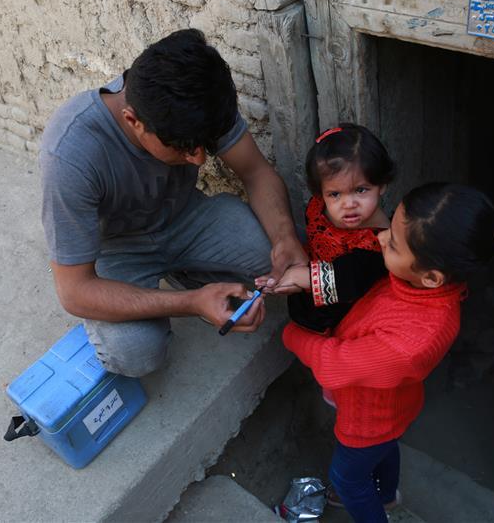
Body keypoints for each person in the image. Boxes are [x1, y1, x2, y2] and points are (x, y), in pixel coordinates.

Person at [39, 29, 307, 377]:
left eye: (204, 146)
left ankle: (186, 271)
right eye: (182, 149)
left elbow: (256, 173)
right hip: (120, 252)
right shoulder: (69, 154)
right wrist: (192, 303)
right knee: (136, 354)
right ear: (133, 121)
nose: (198, 161)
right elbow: (75, 292)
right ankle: (187, 286)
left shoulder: (197, 97)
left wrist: (284, 235)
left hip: (187, 219)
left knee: (279, 254)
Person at [280, 183, 494, 522]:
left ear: (431, 277)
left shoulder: (413, 340)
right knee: (386, 446)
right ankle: (385, 495)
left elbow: (331, 364)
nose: (381, 238)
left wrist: (291, 334)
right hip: (394, 408)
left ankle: (376, 512)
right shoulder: (419, 279)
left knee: (348, 478)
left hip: (367, 415)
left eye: (393, 243)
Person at [270, 124, 395, 335]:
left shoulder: (378, 242)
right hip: (308, 283)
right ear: (321, 192)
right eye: (335, 194)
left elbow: (348, 280)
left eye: (360, 190)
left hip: (337, 313)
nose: (348, 204)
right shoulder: (319, 206)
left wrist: (303, 277)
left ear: (381, 184)